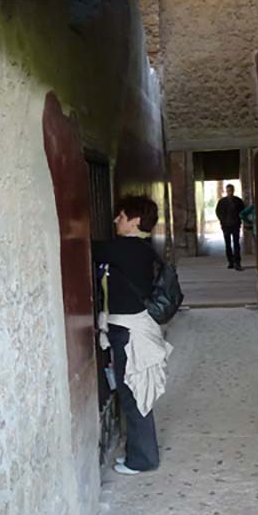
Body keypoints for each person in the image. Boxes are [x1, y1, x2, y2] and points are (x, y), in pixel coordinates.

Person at [92, 195, 172, 476]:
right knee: (135, 391)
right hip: (133, 328)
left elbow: (86, 248)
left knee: (133, 395)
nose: (116, 220)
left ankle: (143, 459)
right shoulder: (142, 249)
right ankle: (139, 455)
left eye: (121, 216)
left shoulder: (126, 249)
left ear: (135, 220)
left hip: (128, 332)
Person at [215, 183, 245, 270]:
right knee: (227, 244)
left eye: (231, 190)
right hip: (226, 226)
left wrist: (240, 220)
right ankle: (230, 262)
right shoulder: (222, 202)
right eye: (228, 191)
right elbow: (218, 212)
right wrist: (222, 220)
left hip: (235, 225)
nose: (230, 192)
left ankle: (237, 262)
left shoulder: (238, 201)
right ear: (226, 191)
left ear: (233, 191)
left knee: (236, 244)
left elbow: (243, 212)